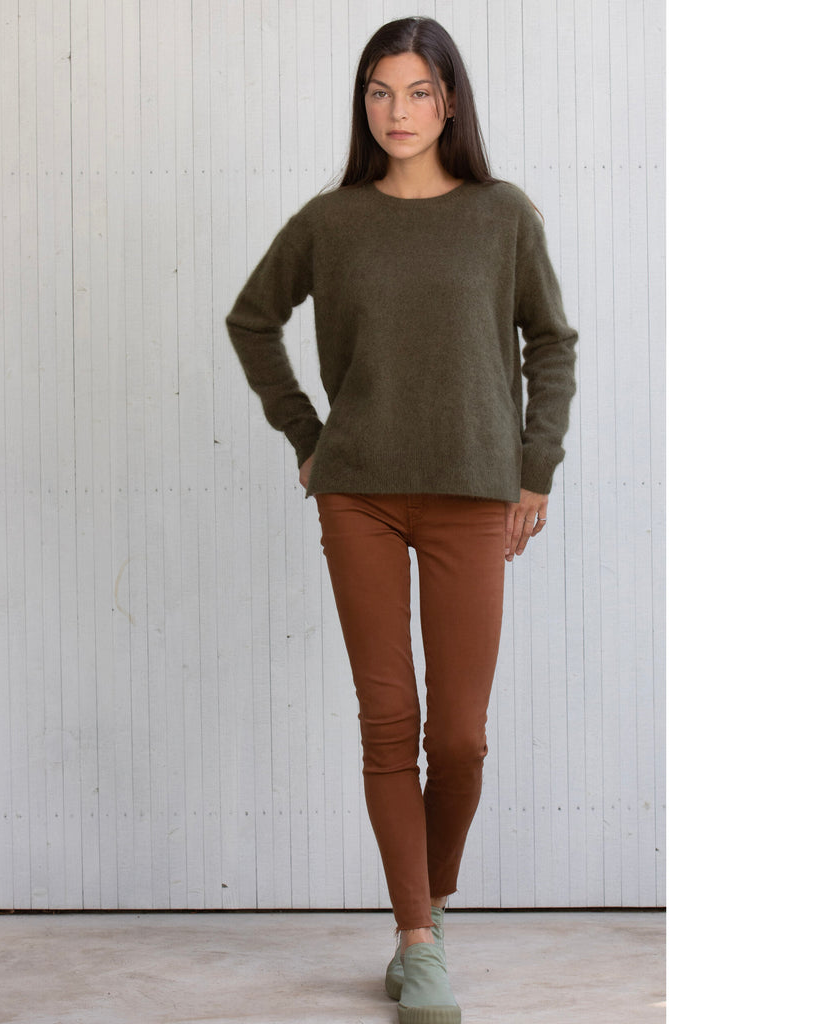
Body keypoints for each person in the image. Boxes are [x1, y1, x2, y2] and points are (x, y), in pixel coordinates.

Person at [226, 16, 577, 1024]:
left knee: (458, 736)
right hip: (361, 495)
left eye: (418, 91)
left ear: (450, 101)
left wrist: (535, 467)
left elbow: (550, 341)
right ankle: (416, 939)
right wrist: (308, 435)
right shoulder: (330, 220)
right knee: (389, 721)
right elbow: (252, 320)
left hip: (473, 492)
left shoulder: (502, 215)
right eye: (380, 91)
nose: (398, 111)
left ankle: (432, 895)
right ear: (363, 103)